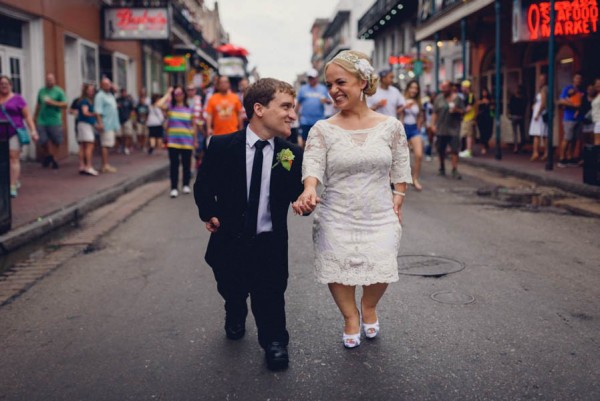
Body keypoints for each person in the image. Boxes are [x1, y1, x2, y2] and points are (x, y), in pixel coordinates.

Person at [293, 50, 412, 349]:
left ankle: (369, 307)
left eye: (340, 82)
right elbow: (313, 165)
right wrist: (309, 189)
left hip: (379, 211)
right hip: (337, 212)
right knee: (338, 268)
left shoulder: (391, 126)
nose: (333, 90)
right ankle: (350, 316)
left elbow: (400, 163)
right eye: (329, 84)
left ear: (362, 82)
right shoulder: (322, 129)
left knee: (382, 261)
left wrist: (398, 195)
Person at [194, 78, 303, 371]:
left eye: (293, 108)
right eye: (286, 107)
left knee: (270, 295)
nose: (293, 114)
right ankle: (235, 308)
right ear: (259, 109)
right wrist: (210, 212)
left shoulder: (291, 154)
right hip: (229, 239)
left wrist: (305, 199)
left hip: (269, 241)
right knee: (231, 286)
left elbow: (298, 194)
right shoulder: (221, 146)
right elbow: (204, 187)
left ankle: (275, 342)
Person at [0, 75, 39, 198]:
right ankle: (8, 181)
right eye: (1, 84)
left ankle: (12, 185)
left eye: (6, 84)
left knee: (13, 158)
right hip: (0, 134)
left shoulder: (18, 99)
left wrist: (33, 131)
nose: (4, 86)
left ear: (11, 85)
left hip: (13, 132)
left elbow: (27, 116)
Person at [156, 86, 197, 198]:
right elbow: (158, 105)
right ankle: (174, 188)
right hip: (173, 141)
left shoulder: (190, 108)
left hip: (187, 141)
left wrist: (195, 140)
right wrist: (168, 93)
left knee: (186, 165)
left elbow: (193, 125)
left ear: (184, 95)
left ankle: (185, 185)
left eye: (180, 93)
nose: (178, 96)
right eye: (176, 94)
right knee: (174, 165)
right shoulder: (170, 107)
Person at [431, 80, 465, 179]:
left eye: (446, 87)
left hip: (454, 128)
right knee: (441, 150)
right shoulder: (439, 98)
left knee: (454, 150)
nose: (443, 89)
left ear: (450, 88)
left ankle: (454, 169)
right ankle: (442, 168)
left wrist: (456, 110)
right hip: (441, 128)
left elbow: (463, 111)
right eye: (442, 87)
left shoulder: (457, 99)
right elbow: (435, 113)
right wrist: (432, 125)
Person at [34, 73, 67, 169]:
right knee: (42, 140)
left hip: (54, 120)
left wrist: (52, 102)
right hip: (42, 119)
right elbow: (38, 104)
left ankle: (54, 159)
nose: (49, 81)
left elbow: (65, 105)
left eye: (51, 79)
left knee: (56, 140)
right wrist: (34, 116)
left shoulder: (59, 91)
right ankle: (49, 155)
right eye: (48, 80)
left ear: (54, 80)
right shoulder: (41, 91)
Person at [296, 68, 330, 148]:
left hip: (319, 120)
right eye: (309, 78)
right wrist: (294, 115)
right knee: (305, 140)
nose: (311, 79)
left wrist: (326, 101)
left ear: (317, 78)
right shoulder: (303, 89)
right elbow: (298, 103)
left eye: (312, 77)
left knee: (319, 141)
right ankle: (303, 157)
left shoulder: (323, 89)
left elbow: (329, 102)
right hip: (305, 120)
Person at [399, 79, 424, 191]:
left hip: (414, 129)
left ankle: (415, 179)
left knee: (419, 155)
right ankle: (404, 179)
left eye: (416, 88)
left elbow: (420, 115)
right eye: (412, 88)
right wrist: (405, 107)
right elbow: (396, 111)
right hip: (403, 128)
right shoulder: (401, 99)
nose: (414, 90)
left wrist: (419, 126)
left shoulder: (418, 101)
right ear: (408, 88)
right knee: (403, 157)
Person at [94, 77, 120, 173]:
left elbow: (116, 90)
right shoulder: (100, 96)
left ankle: (106, 164)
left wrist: (113, 87)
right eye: (106, 84)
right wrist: (100, 123)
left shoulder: (110, 94)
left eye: (109, 84)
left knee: (109, 144)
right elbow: (97, 111)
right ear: (101, 85)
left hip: (112, 123)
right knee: (105, 144)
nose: (109, 86)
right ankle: (105, 165)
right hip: (105, 123)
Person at [76, 83, 98, 176]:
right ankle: (88, 166)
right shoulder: (85, 101)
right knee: (89, 144)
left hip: (83, 124)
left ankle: (82, 165)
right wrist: (94, 114)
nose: (92, 92)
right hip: (85, 124)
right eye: (90, 90)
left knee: (82, 145)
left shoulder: (85, 100)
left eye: (92, 90)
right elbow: (85, 112)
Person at [528, 74, 549, 161]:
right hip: (539, 112)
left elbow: (543, 103)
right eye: (539, 79)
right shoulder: (540, 89)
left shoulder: (544, 89)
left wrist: (538, 114)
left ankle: (536, 152)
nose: (540, 81)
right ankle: (545, 153)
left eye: (542, 79)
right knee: (543, 134)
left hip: (540, 114)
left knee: (537, 134)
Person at [458, 80, 478, 158]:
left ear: (466, 87)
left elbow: (469, 107)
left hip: (469, 117)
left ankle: (469, 151)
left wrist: (461, 111)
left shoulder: (470, 96)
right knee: (466, 134)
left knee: (469, 135)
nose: (462, 88)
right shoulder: (466, 95)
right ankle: (467, 150)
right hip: (466, 118)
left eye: (463, 87)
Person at [508, 85, 528, 153]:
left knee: (517, 132)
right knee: (521, 132)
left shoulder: (515, 98)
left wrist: (510, 113)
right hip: (518, 116)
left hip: (517, 116)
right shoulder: (521, 98)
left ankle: (517, 147)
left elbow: (510, 106)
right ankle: (519, 146)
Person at [116, 88, 135, 155]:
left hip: (127, 119)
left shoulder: (129, 100)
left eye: (125, 92)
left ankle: (126, 147)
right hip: (119, 119)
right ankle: (121, 145)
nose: (124, 94)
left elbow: (132, 109)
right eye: (122, 92)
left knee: (128, 134)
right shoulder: (118, 100)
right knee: (119, 135)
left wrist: (132, 119)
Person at [477, 87, 494, 155]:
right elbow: (476, 106)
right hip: (481, 117)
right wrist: (482, 102)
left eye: (485, 92)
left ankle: (486, 143)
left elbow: (493, 106)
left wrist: (490, 104)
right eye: (483, 92)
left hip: (488, 117)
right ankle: (483, 146)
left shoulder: (490, 99)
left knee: (489, 131)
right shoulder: (479, 100)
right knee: (482, 132)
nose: (484, 93)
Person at [592, 78, 600, 145]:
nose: (598, 85)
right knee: (597, 141)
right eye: (596, 83)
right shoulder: (595, 95)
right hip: (596, 120)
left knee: (597, 141)